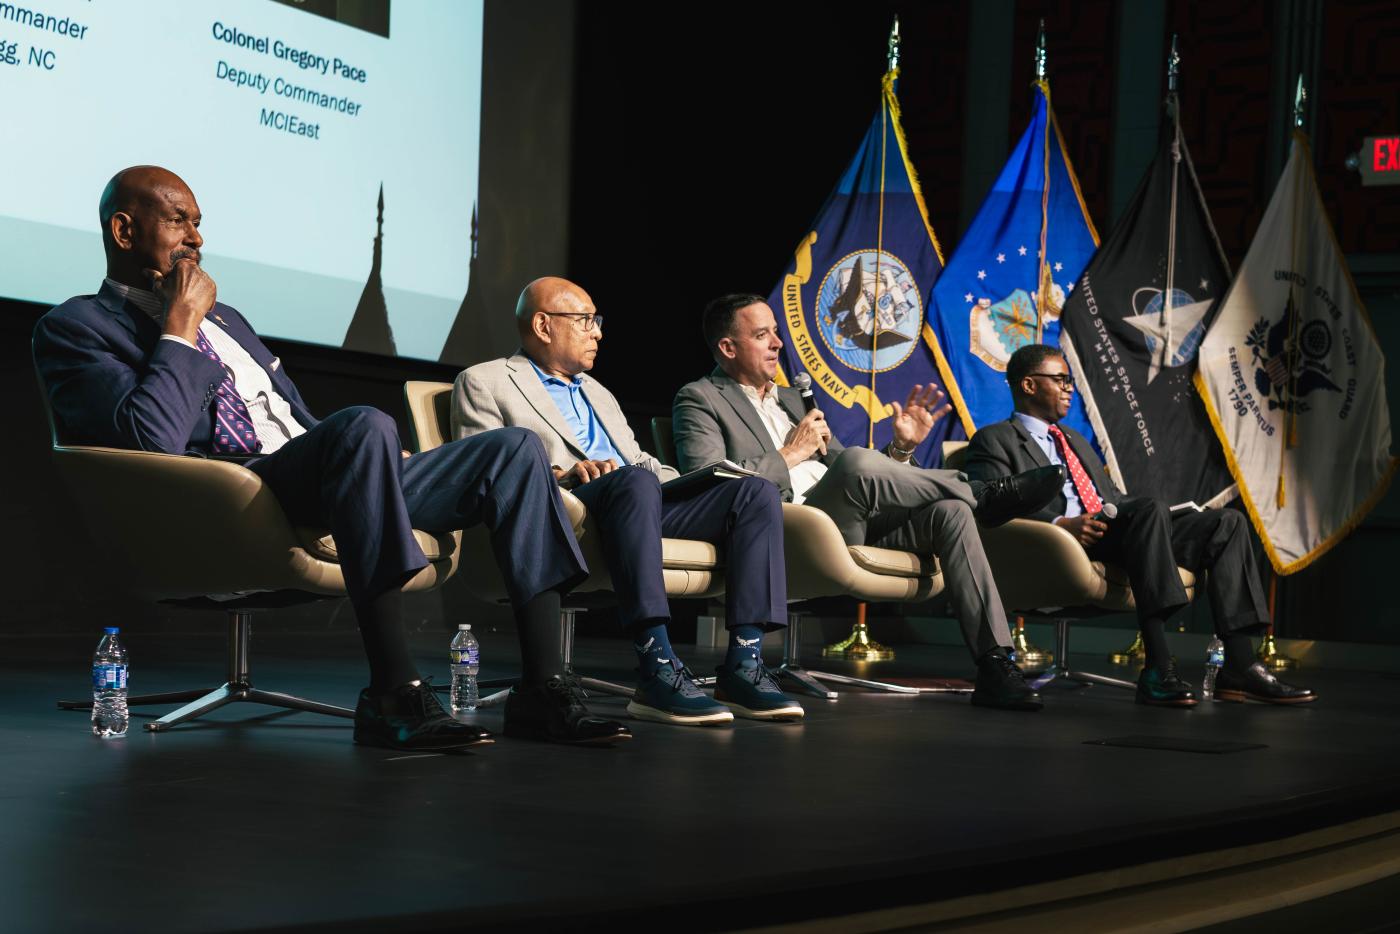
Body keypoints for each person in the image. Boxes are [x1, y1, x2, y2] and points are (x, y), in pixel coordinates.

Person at [33, 166, 632, 750]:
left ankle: (543, 688)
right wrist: (180, 322)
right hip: (235, 489)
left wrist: (365, 452)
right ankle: (393, 694)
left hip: (313, 470)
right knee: (365, 424)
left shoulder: (230, 320)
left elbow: (290, 419)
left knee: (514, 449)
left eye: (198, 222)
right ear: (124, 231)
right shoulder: (78, 326)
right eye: (177, 221)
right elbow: (151, 440)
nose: (196, 239)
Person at [673, 294, 1067, 711]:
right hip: (788, 527)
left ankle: (994, 664)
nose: (777, 343)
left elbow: (848, 472)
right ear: (728, 347)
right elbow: (709, 482)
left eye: (775, 331)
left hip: (845, 520)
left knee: (949, 512)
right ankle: (980, 494)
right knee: (863, 462)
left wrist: (900, 450)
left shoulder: (792, 398)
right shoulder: (700, 398)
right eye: (761, 335)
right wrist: (790, 454)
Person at [452, 277, 801, 726]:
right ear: (543, 325)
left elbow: (641, 462)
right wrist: (562, 475)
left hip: (637, 498)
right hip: (570, 508)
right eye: (585, 320)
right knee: (633, 482)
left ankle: (744, 665)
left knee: (753, 491)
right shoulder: (486, 381)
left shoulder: (599, 392)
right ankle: (656, 665)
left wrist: (704, 482)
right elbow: (485, 471)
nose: (598, 332)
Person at [962, 343, 1316, 706]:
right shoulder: (995, 439)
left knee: (1226, 523)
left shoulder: (1073, 439)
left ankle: (1240, 665)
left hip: (1112, 531)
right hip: (1060, 542)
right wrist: (1060, 524)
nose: (1069, 388)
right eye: (1061, 379)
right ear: (1029, 385)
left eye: (1070, 380)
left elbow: (1112, 498)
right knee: (1149, 511)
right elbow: (988, 502)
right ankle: (1158, 666)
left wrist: (1172, 514)